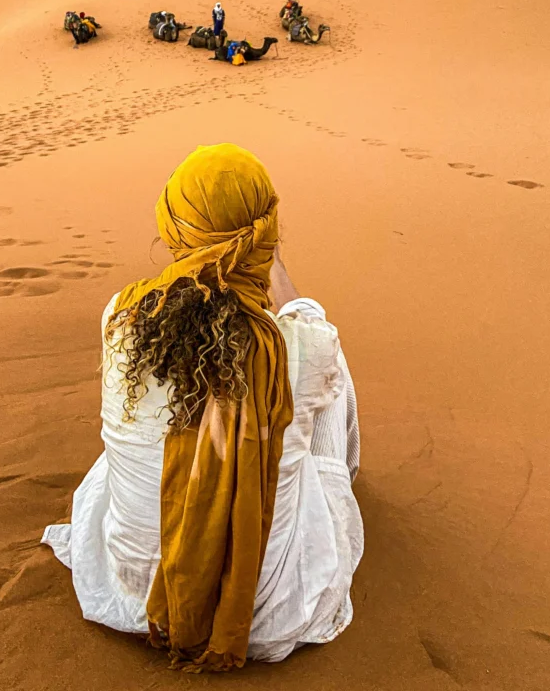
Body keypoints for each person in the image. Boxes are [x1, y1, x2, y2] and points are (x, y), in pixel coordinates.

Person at [42, 144, 363, 671]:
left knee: (150, 430)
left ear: (173, 231)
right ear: (267, 234)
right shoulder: (295, 346)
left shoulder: (120, 317)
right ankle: (345, 481)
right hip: (266, 608)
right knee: (325, 354)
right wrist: (271, 263)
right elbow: (304, 320)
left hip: (131, 587)